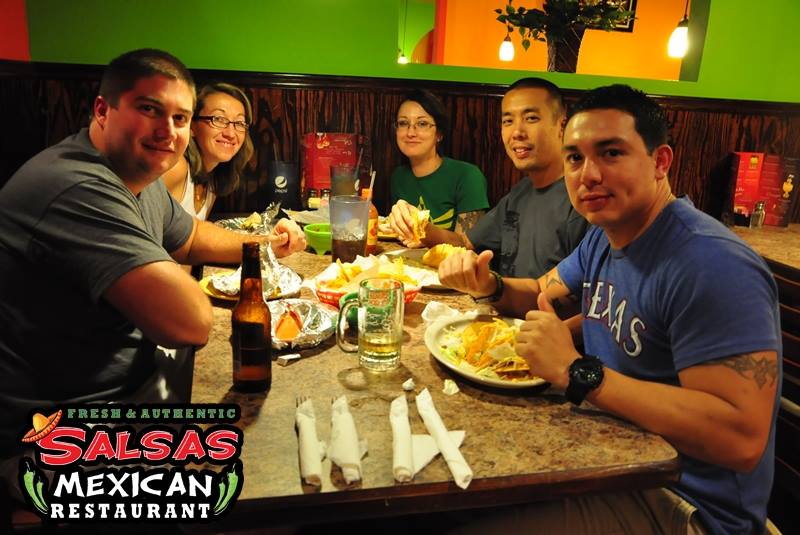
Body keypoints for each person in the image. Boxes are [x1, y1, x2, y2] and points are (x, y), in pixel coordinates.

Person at [439, 85, 780, 534]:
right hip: (611, 460)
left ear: (660, 162)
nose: (588, 174)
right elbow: (541, 290)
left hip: (683, 504)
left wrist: (577, 372)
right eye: (575, 157)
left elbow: (740, 439)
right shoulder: (605, 236)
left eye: (611, 153)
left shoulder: (712, 264)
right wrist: (489, 285)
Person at [0, 49, 306, 482]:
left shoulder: (135, 173)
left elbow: (191, 236)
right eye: (149, 109)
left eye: (180, 118)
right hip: (59, 433)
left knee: (277, 434)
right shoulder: (78, 186)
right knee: (257, 476)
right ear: (103, 110)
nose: (167, 130)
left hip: (130, 388)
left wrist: (263, 245)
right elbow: (189, 323)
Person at [390, 78, 588, 279]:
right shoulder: (520, 192)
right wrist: (420, 227)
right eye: (508, 121)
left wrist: (492, 286)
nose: (517, 132)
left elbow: (573, 289)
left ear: (562, 126)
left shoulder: (583, 200)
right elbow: (465, 243)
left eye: (531, 118)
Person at [387, 89, 489, 243]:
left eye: (422, 124)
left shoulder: (468, 176)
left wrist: (426, 233)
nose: (410, 133)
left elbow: (469, 243)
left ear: (439, 134)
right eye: (403, 123)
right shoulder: (398, 177)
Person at [162, 82, 253, 220]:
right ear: (191, 126)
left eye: (239, 123)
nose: (230, 133)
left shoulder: (212, 180)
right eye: (219, 119)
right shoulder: (176, 167)